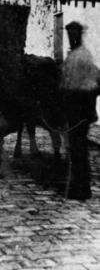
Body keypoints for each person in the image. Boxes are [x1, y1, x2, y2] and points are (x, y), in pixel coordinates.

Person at [61, 21, 100, 200]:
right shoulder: (75, 56)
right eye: (69, 34)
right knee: (77, 150)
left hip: (79, 112)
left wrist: (83, 102)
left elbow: (92, 85)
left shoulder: (82, 57)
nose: (71, 37)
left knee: (78, 151)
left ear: (79, 35)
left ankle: (81, 189)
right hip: (76, 111)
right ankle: (79, 187)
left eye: (74, 34)